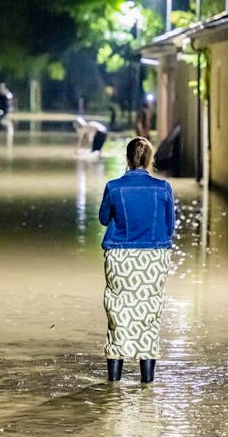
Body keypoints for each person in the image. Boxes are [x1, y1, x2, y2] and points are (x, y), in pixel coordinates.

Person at [99, 137, 175, 383]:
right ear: (149, 160)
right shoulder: (163, 188)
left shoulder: (113, 187)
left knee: (118, 315)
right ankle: (147, 383)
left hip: (120, 258)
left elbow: (103, 218)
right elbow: (170, 227)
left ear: (128, 159)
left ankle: (114, 383)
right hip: (153, 259)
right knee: (149, 315)